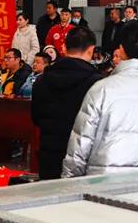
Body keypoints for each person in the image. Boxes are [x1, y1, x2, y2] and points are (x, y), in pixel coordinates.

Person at [62, 21, 138, 177]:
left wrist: (70, 180)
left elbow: (81, 144)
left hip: (102, 181)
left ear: (120, 49)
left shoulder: (100, 90)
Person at [30, 26, 103, 180]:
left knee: (49, 191)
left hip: (49, 151)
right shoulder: (97, 83)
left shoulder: (42, 79)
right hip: (83, 155)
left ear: (64, 48)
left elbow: (36, 117)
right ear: (91, 50)